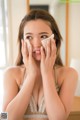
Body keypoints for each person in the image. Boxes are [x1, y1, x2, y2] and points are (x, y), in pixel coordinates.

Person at [2, 9, 78, 120]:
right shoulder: (11, 74)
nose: (36, 44)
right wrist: (31, 75)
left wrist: (46, 73)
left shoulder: (69, 74)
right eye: (29, 37)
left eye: (43, 36)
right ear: (22, 42)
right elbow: (5, 117)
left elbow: (58, 119)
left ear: (55, 40)